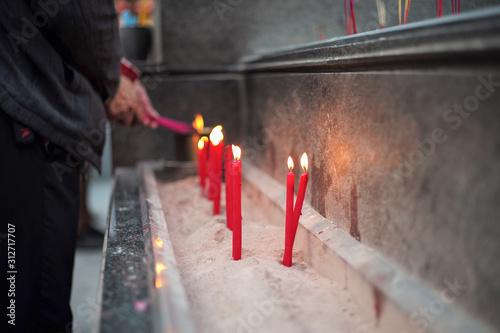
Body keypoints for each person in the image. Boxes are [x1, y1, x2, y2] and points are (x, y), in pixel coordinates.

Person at [0, 1, 156, 332]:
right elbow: (81, 10)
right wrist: (112, 80)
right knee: (27, 304)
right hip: (25, 112)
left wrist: (119, 74)